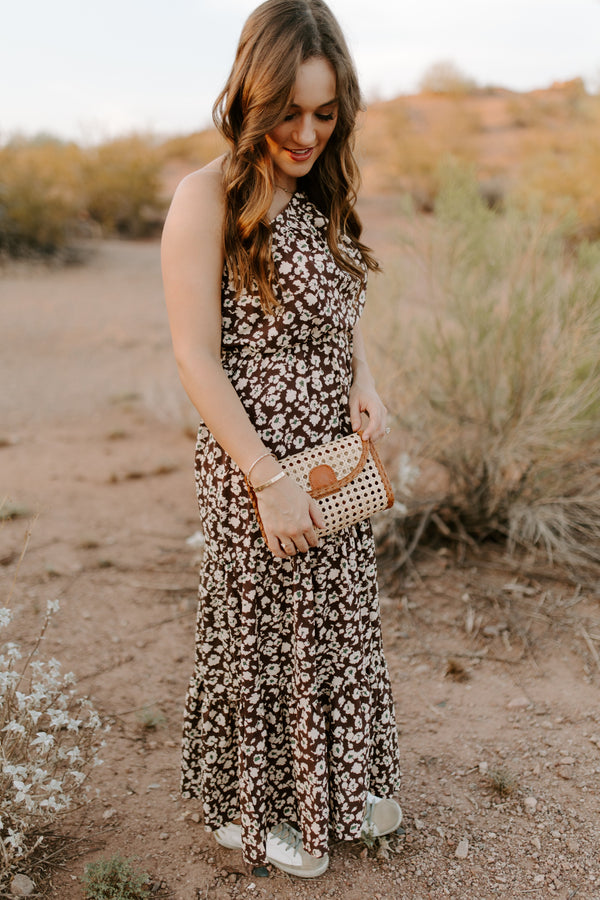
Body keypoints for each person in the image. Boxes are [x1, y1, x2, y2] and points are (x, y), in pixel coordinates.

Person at [161, 0, 402, 879]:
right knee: (265, 635)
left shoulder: (322, 192)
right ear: (253, 98)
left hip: (333, 467)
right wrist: (267, 479)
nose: (307, 132)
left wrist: (364, 385)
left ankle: (321, 793)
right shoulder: (206, 198)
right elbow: (195, 358)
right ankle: (250, 810)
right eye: (290, 112)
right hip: (254, 464)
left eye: (326, 112)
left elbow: (346, 320)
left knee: (333, 624)